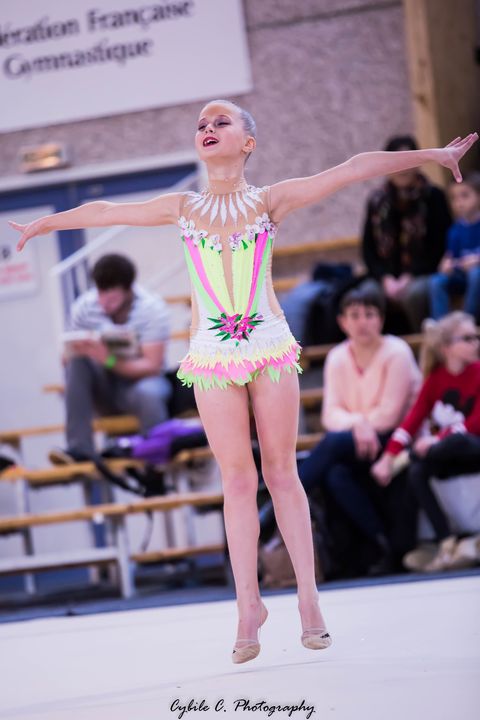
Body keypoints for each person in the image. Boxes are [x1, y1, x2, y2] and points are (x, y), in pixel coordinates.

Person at [10, 101, 477, 663]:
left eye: (220, 122)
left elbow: (353, 167)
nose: (207, 129)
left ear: (248, 142)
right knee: (236, 479)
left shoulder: (270, 200)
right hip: (211, 353)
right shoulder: (182, 207)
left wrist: (434, 155)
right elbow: (108, 209)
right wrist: (45, 223)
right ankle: (248, 606)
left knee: (281, 473)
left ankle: (308, 599)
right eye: (201, 125)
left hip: (268, 344)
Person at [297, 282, 422, 575]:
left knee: (333, 443)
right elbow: (330, 415)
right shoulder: (337, 356)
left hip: (398, 441)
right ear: (342, 322)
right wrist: (360, 425)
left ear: (381, 319)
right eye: (354, 315)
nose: (362, 322)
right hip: (357, 442)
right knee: (334, 474)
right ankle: (381, 542)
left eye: (369, 314)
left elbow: (390, 415)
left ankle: (281, 500)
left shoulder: (397, 351)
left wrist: (357, 424)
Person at [371, 311, 480, 572]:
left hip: (471, 447)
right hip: (444, 453)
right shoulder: (435, 379)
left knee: (458, 442)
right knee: (418, 471)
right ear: (446, 347)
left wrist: (434, 441)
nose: (475, 343)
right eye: (467, 338)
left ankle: (410, 456)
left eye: (476, 337)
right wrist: (388, 457)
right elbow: (412, 419)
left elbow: (475, 423)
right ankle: (446, 540)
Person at [50, 253, 171, 463]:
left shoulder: (152, 309)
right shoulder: (84, 308)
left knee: (149, 392)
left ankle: (156, 461)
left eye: (111, 295)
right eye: (100, 291)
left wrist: (109, 360)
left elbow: (152, 366)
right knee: (77, 364)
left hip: (139, 385)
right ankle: (79, 450)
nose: (103, 301)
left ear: (128, 289)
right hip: (103, 387)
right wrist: (70, 357)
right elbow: (71, 358)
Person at [362, 135, 452, 332]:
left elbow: (440, 245)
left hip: (425, 272)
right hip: (385, 277)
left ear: (418, 163)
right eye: (397, 161)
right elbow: (368, 249)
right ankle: (376, 346)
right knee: (366, 295)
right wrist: (385, 278)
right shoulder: (376, 200)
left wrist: (409, 276)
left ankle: (424, 343)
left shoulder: (433, 196)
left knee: (415, 294)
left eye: (408, 161)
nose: (403, 168)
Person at [429, 172, 480, 321]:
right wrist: (446, 265)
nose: (459, 202)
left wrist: (476, 260)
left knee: (476, 274)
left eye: (465, 196)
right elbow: (450, 256)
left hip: (476, 275)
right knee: (436, 281)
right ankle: (441, 324)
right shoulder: (454, 230)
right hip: (462, 276)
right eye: (454, 198)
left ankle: (467, 320)